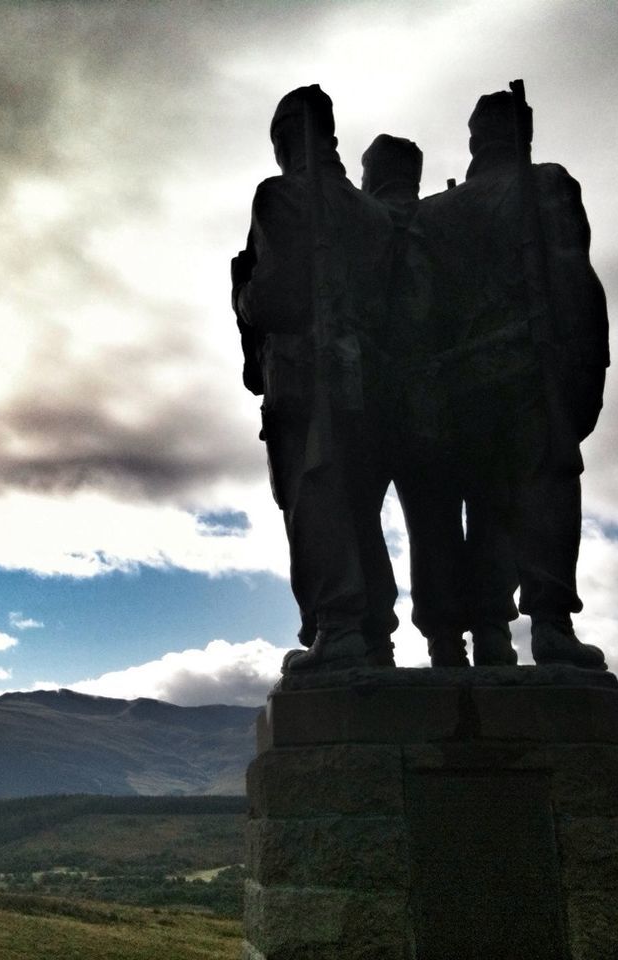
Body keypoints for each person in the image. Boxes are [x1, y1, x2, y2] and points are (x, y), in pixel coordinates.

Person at [417, 89, 609, 669]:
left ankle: (492, 636)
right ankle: (550, 626)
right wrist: (585, 372)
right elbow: (575, 280)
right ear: (524, 129)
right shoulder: (546, 183)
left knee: (485, 508)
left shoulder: (433, 213)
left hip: (458, 385)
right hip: (529, 370)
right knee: (544, 492)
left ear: (475, 139)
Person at [232, 85, 398, 672]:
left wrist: (242, 295)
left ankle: (340, 627)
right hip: (377, 387)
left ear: (283, 139)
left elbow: (273, 297)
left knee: (316, 503)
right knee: (360, 511)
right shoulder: (374, 212)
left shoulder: (279, 197)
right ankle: (376, 635)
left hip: (306, 381)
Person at [363, 133, 520, 668]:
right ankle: (493, 630)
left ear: (375, 173)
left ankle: (447, 640)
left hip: (410, 397)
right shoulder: (456, 218)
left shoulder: (370, 226)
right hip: (480, 388)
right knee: (491, 510)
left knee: (431, 525)